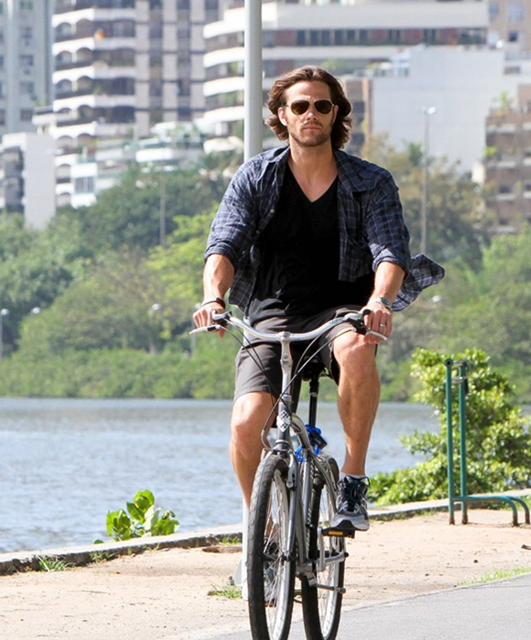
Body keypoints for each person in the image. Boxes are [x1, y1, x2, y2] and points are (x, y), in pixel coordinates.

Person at [193, 66, 444, 531]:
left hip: (344, 309)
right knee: (247, 423)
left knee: (356, 346)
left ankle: (352, 479)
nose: (311, 114)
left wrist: (380, 302)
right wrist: (214, 297)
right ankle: (260, 531)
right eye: (300, 106)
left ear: (336, 115)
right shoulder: (256, 177)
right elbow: (223, 245)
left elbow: (391, 252)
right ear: (282, 116)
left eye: (322, 106)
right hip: (271, 312)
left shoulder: (371, 181)